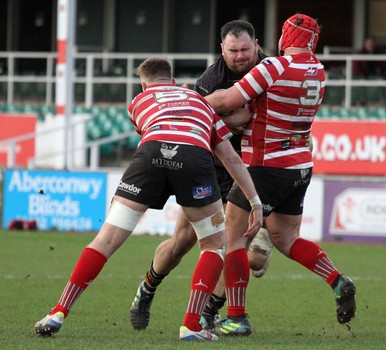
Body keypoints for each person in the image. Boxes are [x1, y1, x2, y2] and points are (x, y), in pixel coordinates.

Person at [34, 57, 263, 341]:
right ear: (173, 79)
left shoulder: (138, 102)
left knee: (104, 240)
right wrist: (254, 201)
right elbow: (231, 158)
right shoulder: (199, 100)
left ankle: (57, 312)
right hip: (194, 155)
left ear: (144, 84)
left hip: (151, 153)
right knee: (214, 245)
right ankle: (191, 326)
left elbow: (153, 134)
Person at [204, 13, 357, 336]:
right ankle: (337, 280)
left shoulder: (275, 67)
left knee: (233, 240)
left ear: (286, 38)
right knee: (286, 239)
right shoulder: (317, 71)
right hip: (300, 165)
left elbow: (229, 99)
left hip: (265, 165)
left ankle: (237, 317)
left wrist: (191, 104)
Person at [130, 20, 273, 333]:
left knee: (235, 244)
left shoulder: (270, 69)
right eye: (233, 50)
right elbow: (203, 118)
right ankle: (147, 289)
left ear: (257, 45)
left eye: (245, 50)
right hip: (213, 165)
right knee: (182, 241)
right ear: (221, 49)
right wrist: (241, 117)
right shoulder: (210, 80)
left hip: (253, 167)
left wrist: (238, 117)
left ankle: (210, 311)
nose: (239, 56)